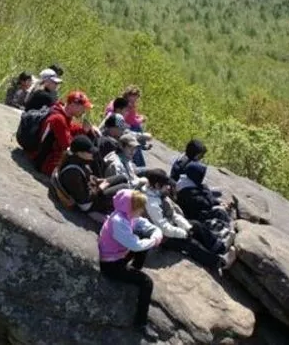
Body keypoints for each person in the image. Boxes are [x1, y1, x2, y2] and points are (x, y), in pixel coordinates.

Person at [98, 189, 162, 341]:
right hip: (111, 265)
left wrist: (155, 231)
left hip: (118, 255)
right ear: (131, 208)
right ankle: (140, 323)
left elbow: (143, 224)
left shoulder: (125, 215)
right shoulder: (118, 222)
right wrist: (154, 240)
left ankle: (133, 272)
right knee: (147, 283)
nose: (142, 211)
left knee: (141, 235)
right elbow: (135, 245)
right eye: (140, 208)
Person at [143, 169, 236, 271]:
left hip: (170, 225)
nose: (168, 187)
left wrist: (187, 227)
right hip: (161, 235)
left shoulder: (159, 194)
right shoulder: (151, 203)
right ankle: (221, 263)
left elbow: (173, 214)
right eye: (165, 185)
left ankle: (220, 247)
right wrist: (183, 233)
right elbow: (163, 227)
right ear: (157, 185)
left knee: (195, 225)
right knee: (190, 243)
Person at [53, 135, 129, 217]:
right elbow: (84, 199)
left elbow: (86, 178)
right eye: (89, 152)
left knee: (122, 177)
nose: (92, 153)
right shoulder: (73, 172)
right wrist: (100, 188)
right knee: (124, 187)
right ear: (79, 153)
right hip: (88, 204)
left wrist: (97, 180)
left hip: (92, 190)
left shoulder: (78, 160)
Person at [28, 91, 94, 175]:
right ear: (73, 105)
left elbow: (70, 129)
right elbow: (68, 146)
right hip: (45, 162)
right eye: (83, 108)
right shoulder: (59, 119)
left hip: (48, 158)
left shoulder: (62, 114)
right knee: (80, 171)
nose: (84, 111)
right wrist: (83, 132)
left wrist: (84, 129)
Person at [175, 162, 235, 242]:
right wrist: (208, 192)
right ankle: (225, 233)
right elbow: (207, 203)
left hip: (198, 209)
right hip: (195, 216)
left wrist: (218, 202)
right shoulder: (188, 192)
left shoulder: (186, 182)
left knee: (218, 196)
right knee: (220, 212)